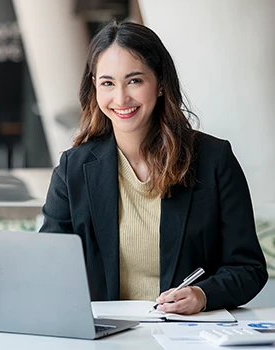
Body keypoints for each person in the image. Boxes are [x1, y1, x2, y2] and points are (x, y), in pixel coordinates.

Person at [40, 21, 268, 314]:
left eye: (135, 81)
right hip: (106, 336)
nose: (121, 98)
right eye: (108, 83)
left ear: (160, 84)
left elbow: (248, 268)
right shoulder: (73, 169)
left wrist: (202, 294)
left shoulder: (214, 159)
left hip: (188, 335)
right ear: (94, 86)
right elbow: (49, 268)